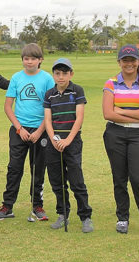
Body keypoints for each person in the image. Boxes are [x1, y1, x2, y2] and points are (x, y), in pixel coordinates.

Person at [0, 43, 55, 220]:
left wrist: (39, 130)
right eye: (26, 58)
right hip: (19, 130)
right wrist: (19, 128)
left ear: (40, 60)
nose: (29, 62)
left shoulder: (47, 79)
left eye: (33, 58)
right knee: (14, 168)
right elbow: (7, 106)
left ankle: (37, 206)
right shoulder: (16, 78)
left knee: (38, 169)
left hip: (40, 130)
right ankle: (7, 206)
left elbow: (50, 109)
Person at [102, 44, 139, 236]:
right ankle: (122, 218)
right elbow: (108, 113)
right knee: (119, 178)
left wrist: (123, 111)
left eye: (132, 60)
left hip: (138, 135)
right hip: (115, 134)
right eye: (125, 60)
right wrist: (137, 115)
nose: (129, 64)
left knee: (138, 178)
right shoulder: (111, 83)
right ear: (119, 62)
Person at [44, 58, 93, 233]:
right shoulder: (50, 94)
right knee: (57, 182)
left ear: (71, 74)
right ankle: (62, 213)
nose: (61, 76)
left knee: (76, 181)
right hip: (54, 143)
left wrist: (67, 140)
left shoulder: (77, 90)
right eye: (57, 73)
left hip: (72, 141)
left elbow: (79, 118)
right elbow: (48, 120)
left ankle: (85, 216)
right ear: (54, 75)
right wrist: (54, 139)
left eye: (65, 73)